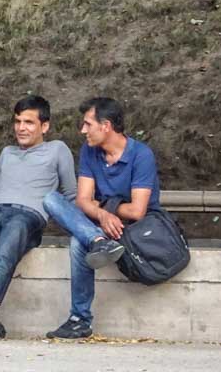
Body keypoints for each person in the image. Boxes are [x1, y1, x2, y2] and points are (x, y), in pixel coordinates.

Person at [0, 95, 76, 340]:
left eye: (28, 122)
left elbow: (70, 194)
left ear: (45, 126)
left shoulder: (58, 149)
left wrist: (79, 231)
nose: (21, 128)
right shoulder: (7, 152)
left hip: (28, 216)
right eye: (17, 121)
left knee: (4, 253)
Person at [45, 98, 163, 340]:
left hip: (133, 228)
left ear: (106, 126)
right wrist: (102, 215)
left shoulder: (141, 155)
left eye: (88, 124)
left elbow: (137, 211)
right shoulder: (90, 151)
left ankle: (79, 319)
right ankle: (99, 242)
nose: (83, 130)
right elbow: (83, 200)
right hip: (100, 226)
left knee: (78, 243)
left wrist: (106, 209)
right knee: (50, 199)